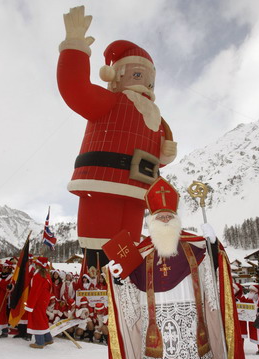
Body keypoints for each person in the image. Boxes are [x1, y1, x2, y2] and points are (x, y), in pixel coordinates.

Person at [107, 177, 251, 359]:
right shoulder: (142, 254)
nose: (163, 220)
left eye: (168, 216)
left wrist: (213, 244)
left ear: (176, 218)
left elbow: (216, 271)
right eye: (159, 216)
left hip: (190, 323)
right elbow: (125, 283)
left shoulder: (194, 247)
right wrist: (117, 277)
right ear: (151, 220)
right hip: (157, 324)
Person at [57, 6, 177, 266]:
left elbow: (152, 156)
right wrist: (75, 46)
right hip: (103, 182)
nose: (145, 84)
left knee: (129, 251)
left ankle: (125, 297)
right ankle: (96, 294)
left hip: (138, 190)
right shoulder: (111, 101)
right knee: (100, 246)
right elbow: (74, 88)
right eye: (137, 75)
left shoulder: (156, 118)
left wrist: (164, 156)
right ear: (114, 77)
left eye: (149, 80)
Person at [24, 256, 54, 349]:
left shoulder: (38, 276)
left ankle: (39, 342)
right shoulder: (46, 274)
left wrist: (30, 304)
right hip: (43, 300)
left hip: (38, 301)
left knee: (37, 319)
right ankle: (48, 339)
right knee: (42, 318)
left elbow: (35, 291)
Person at [0, 259, 14, 338]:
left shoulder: (11, 277)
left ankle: (4, 331)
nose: (4, 269)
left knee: (2, 314)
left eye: (5, 268)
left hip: (4, 297)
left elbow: (8, 286)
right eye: (3, 268)